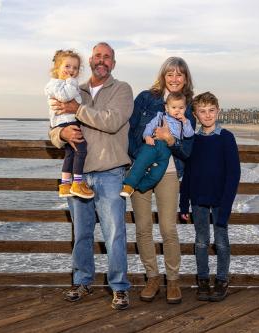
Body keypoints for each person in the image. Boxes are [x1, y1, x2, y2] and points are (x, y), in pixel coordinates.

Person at [48, 42, 133, 310]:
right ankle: (83, 281)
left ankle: (119, 287)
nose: (102, 61)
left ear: (113, 63)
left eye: (107, 57)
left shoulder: (122, 89)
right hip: (79, 177)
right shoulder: (74, 87)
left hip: (110, 172)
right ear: (91, 60)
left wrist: (77, 109)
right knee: (82, 233)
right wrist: (61, 134)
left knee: (114, 234)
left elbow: (111, 121)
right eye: (98, 56)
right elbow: (53, 124)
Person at [128, 57, 196, 304]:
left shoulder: (189, 107)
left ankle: (174, 281)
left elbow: (187, 151)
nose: (175, 78)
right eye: (170, 74)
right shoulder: (146, 98)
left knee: (168, 228)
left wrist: (170, 140)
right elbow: (130, 129)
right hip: (142, 170)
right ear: (163, 76)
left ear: (186, 78)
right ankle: (153, 277)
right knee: (143, 228)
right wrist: (139, 158)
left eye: (179, 74)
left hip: (169, 173)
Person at [180, 92, 241, 302]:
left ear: (218, 111)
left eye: (211, 110)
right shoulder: (193, 140)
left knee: (222, 242)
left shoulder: (226, 138)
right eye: (202, 111)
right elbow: (188, 174)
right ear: (195, 114)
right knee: (201, 242)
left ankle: (222, 279)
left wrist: (226, 206)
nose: (207, 115)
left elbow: (234, 174)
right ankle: (203, 280)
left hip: (220, 200)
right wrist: (183, 204)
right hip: (198, 200)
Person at [121, 92, 194, 197]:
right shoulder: (160, 117)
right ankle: (129, 185)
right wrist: (146, 136)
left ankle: (138, 186)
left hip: (166, 152)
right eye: (174, 107)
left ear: (185, 109)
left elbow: (189, 134)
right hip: (153, 145)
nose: (177, 110)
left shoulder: (184, 123)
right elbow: (149, 127)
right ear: (166, 108)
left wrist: (186, 121)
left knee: (157, 174)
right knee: (141, 163)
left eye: (181, 108)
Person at [45, 49, 94, 199]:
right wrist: (72, 82)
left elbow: (76, 102)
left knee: (70, 153)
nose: (71, 70)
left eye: (75, 68)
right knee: (81, 149)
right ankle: (77, 183)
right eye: (67, 66)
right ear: (57, 68)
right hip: (65, 123)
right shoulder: (55, 84)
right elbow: (65, 96)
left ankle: (65, 184)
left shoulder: (67, 84)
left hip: (68, 121)